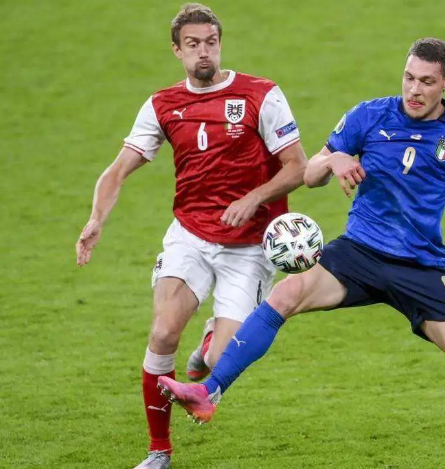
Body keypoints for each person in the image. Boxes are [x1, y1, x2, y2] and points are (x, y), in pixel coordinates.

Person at [158, 38, 445, 469]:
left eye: (426, 82)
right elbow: (310, 173)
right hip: (359, 252)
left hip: (420, 267)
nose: (414, 90)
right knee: (286, 294)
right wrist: (334, 161)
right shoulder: (370, 115)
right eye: (409, 78)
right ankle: (210, 392)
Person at [75, 4, 307, 468]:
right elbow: (118, 169)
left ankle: (207, 345)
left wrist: (254, 197)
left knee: (221, 361)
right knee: (162, 333)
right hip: (191, 235)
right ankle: (158, 451)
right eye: (193, 44)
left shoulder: (261, 94)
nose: (204, 52)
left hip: (249, 245)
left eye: (211, 42)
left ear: (220, 44)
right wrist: (97, 218)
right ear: (177, 51)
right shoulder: (162, 104)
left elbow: (297, 166)